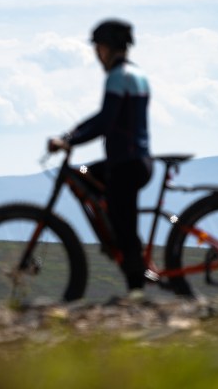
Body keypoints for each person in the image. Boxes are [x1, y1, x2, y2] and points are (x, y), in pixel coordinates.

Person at [48, 19, 152, 297]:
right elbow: (104, 117)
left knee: (125, 228)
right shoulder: (136, 74)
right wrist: (72, 133)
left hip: (126, 165)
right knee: (85, 174)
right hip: (135, 160)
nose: (96, 55)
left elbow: (105, 121)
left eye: (97, 48)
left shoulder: (119, 76)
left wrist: (69, 141)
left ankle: (136, 291)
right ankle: (114, 239)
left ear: (105, 48)